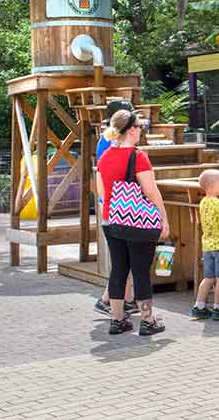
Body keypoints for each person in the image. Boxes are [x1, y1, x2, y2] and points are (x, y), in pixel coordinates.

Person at [97, 109, 170, 336]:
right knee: (140, 271)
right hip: (136, 222)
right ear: (130, 130)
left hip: (110, 219)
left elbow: (101, 192)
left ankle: (117, 320)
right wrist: (163, 218)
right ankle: (148, 320)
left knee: (119, 269)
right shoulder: (138, 156)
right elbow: (151, 191)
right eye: (140, 127)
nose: (141, 131)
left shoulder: (105, 156)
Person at [93, 99, 137, 317]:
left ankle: (127, 299)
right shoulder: (110, 143)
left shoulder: (107, 139)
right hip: (117, 207)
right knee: (123, 262)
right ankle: (106, 299)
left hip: (112, 205)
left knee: (124, 261)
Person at [189, 169, 219, 320]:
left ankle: (199, 306)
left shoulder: (204, 202)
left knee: (209, 277)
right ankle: (218, 308)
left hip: (208, 247)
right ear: (211, 186)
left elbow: (217, 216)